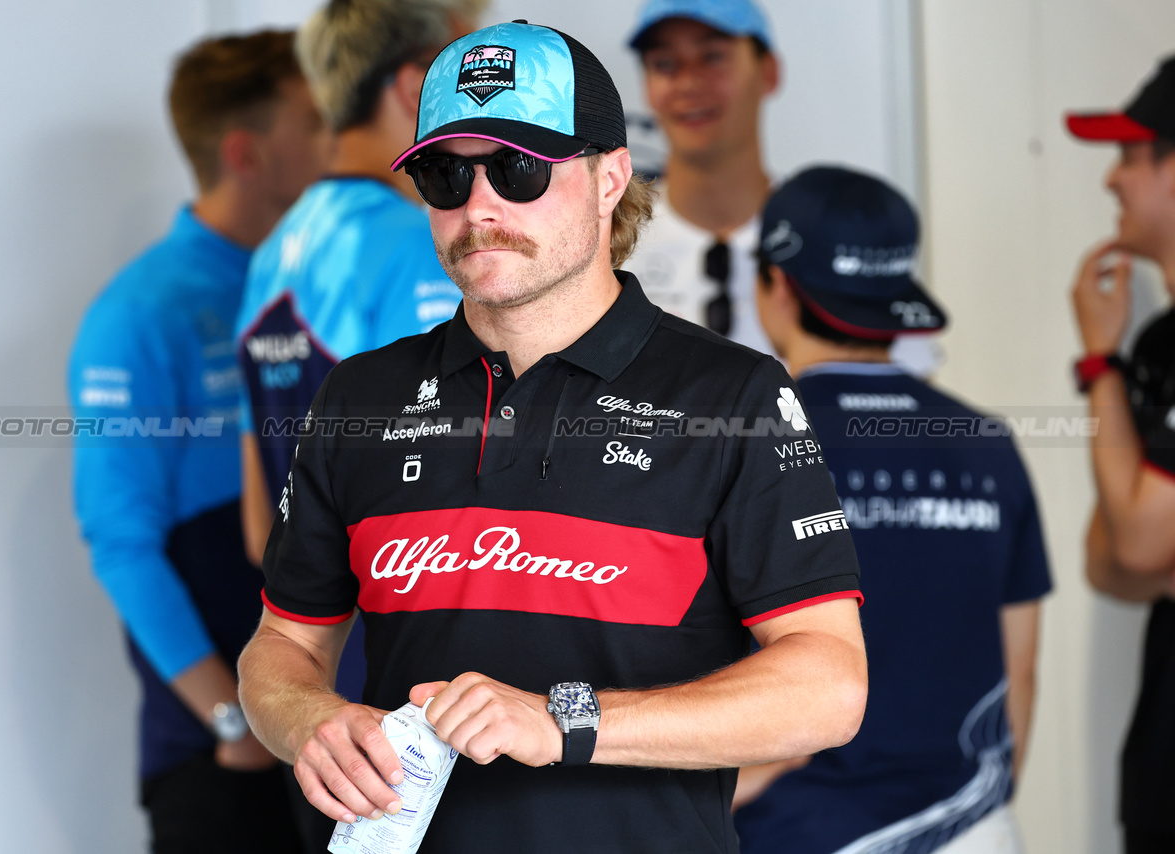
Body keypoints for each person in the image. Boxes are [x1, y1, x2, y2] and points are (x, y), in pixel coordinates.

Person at [237, 21, 867, 854]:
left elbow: (828, 685)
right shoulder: (360, 396)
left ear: (611, 176)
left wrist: (566, 720)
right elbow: (282, 644)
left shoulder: (732, 395)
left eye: (519, 167)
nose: (481, 205)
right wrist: (312, 721)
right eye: (445, 174)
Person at [735, 165, 1052, 854]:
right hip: (972, 828)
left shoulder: (743, 444)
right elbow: (1017, 675)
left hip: (795, 832)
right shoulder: (988, 443)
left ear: (776, 286)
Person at [68, 31, 327, 853]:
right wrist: (229, 712)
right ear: (246, 153)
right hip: (225, 756)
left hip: (329, 730)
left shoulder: (319, 282)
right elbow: (121, 544)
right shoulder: (140, 313)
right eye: (315, 120)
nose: (338, 139)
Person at [235, 0, 485, 566]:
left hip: (310, 615)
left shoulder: (272, 251)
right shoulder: (417, 240)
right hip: (407, 620)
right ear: (413, 86)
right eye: (462, 75)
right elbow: (450, 480)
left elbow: (261, 534)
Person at [625, 0, 938, 374]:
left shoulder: (834, 235)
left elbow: (900, 392)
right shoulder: (610, 242)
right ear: (646, 85)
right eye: (664, 64)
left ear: (769, 71)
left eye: (713, 56)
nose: (689, 83)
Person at [1065, 55, 1175, 854]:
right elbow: (1109, 564)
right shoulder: (1162, 343)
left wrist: (1099, 363)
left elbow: (1139, 541)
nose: (1113, 181)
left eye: (1133, 156)